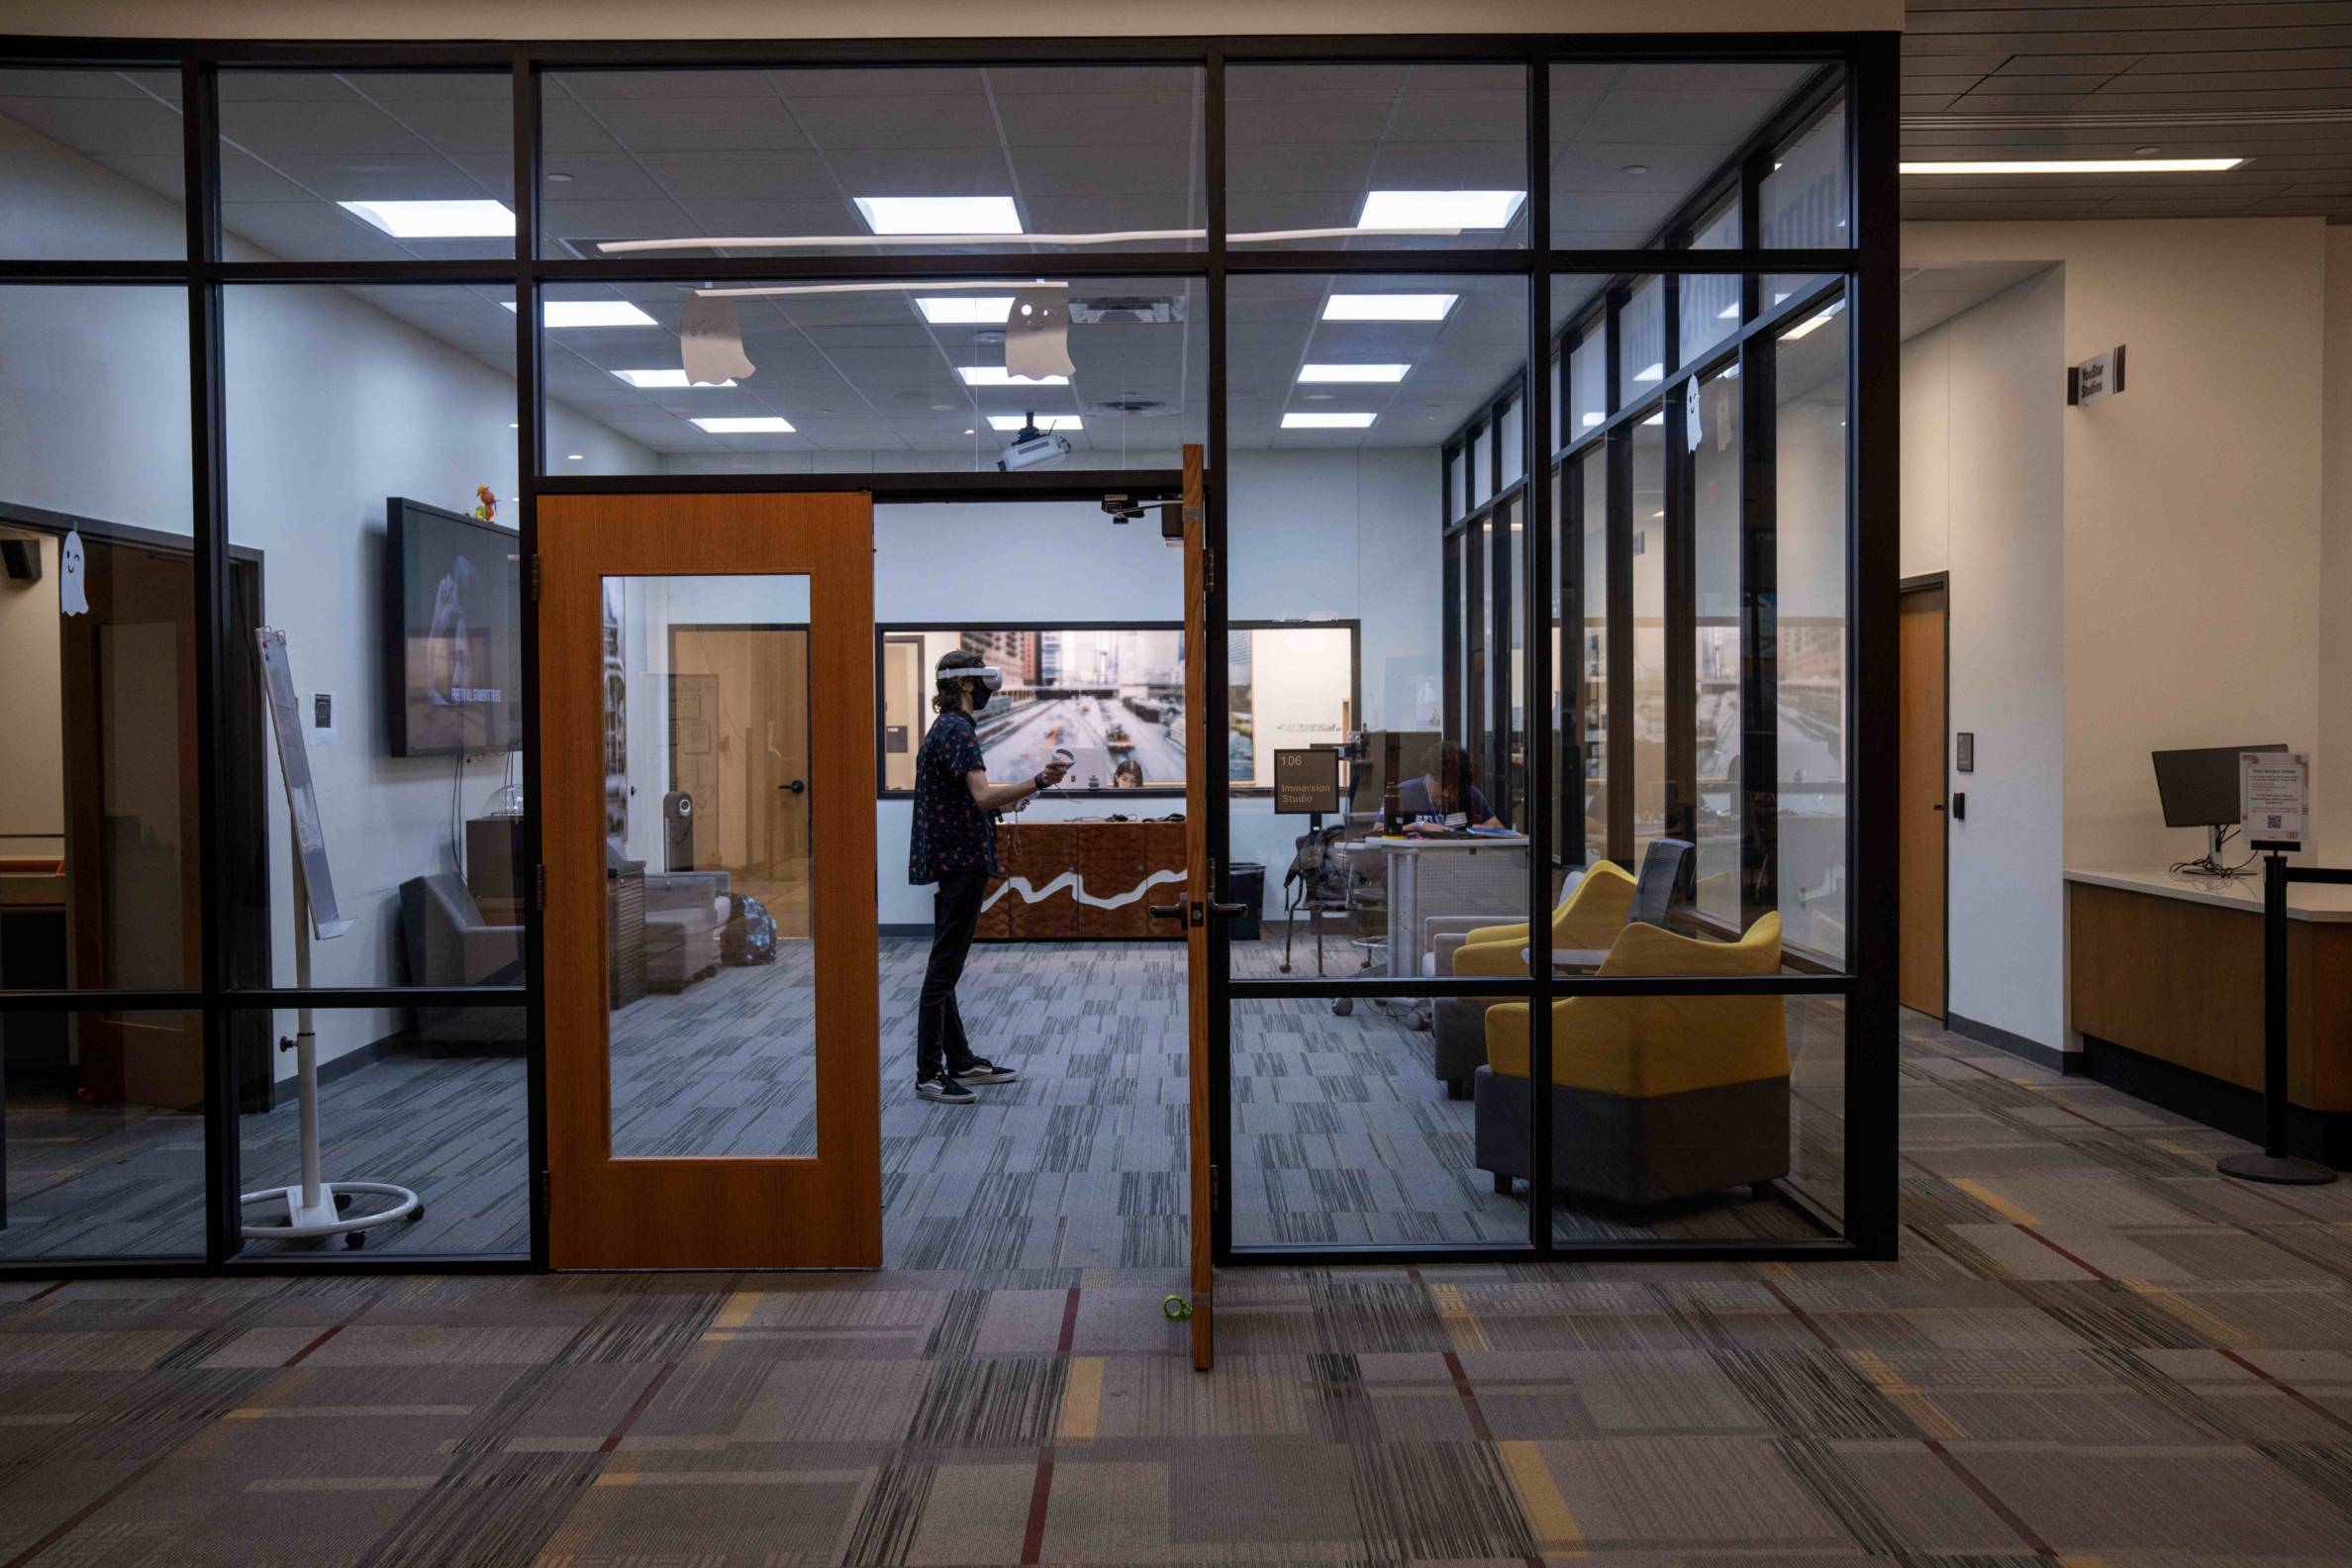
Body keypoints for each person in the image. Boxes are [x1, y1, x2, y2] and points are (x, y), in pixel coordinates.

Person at [908, 649, 1069, 1104]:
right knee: (943, 969)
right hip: (962, 862)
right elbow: (980, 796)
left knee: (947, 964)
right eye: (979, 682)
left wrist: (1009, 799)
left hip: (956, 857)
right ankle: (928, 1073)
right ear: (963, 685)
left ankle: (959, 1061)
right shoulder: (958, 729)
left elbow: (972, 799)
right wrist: (1038, 781)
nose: (984, 691)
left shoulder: (946, 729)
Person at [1395, 739, 1503, 831]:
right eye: (1442, 785)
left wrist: (1483, 828)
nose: (1447, 793)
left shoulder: (1470, 793)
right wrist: (1418, 825)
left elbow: (1500, 828)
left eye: (1455, 787)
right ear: (1429, 775)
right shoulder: (1405, 793)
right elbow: (1379, 831)